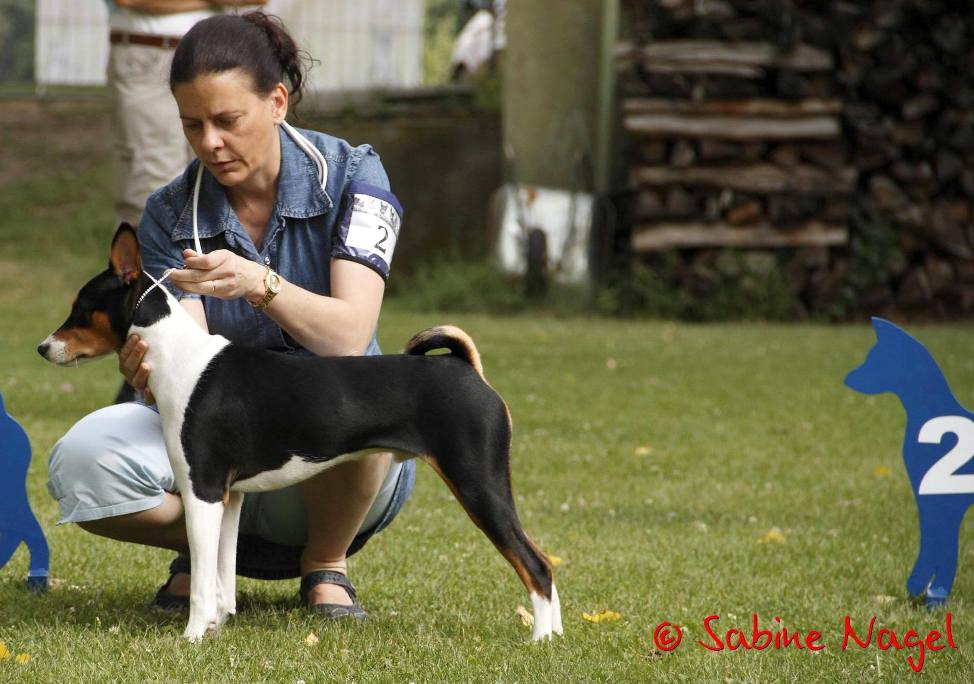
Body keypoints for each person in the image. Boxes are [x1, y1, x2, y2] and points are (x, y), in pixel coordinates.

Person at [48, 10, 414, 619]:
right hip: (226, 458)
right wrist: (148, 371)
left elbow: (349, 336)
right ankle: (203, 552)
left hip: (336, 472)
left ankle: (326, 563)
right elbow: (193, 378)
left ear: (277, 102)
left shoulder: (354, 173)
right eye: (192, 125)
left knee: (355, 384)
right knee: (85, 459)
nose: (209, 143)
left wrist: (259, 283)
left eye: (227, 120)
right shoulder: (169, 212)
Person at [106, 0, 265, 229]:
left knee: (222, 186)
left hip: (219, 57)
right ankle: (154, 252)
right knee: (152, 187)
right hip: (149, 54)